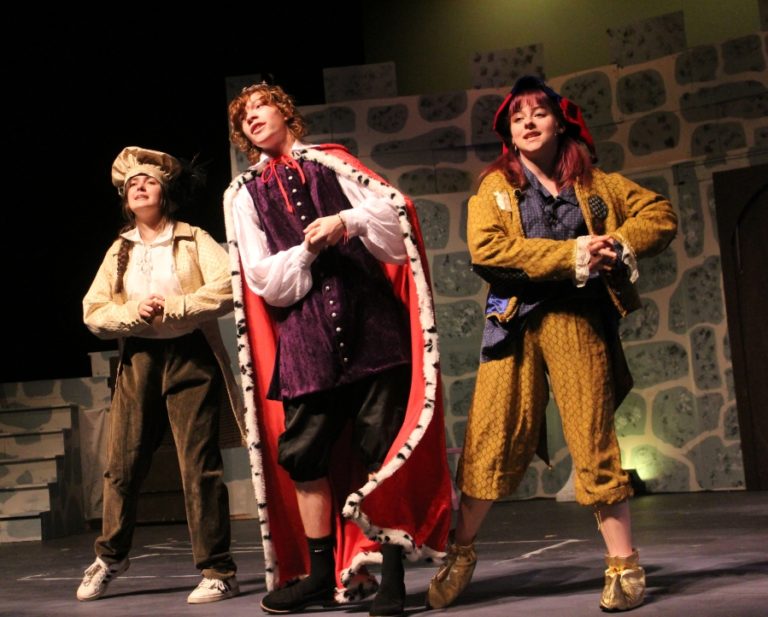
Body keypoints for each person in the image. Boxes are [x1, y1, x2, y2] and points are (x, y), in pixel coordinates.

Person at [425, 76, 677, 612]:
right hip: (512, 322)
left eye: (538, 113)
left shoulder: (596, 183)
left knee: (593, 438)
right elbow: (489, 250)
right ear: (509, 134)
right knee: (491, 437)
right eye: (518, 118)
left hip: (576, 318)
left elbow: (660, 214)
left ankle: (624, 563)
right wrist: (575, 254)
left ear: (560, 123)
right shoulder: (494, 188)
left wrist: (618, 243)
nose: (529, 123)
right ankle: (461, 551)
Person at [223, 84, 452, 617]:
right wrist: (306, 249)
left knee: (382, 449)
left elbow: (396, 224)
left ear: (286, 112)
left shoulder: (333, 164)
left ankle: (392, 576)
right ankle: (321, 574)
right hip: (307, 340)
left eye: (261, 106)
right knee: (303, 455)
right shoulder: (245, 193)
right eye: (243, 116)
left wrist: (347, 222)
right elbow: (264, 278)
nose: (253, 117)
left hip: (371, 325)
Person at [78, 146, 246, 604]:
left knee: (199, 465)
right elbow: (93, 311)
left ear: (165, 191)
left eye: (148, 181)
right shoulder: (120, 250)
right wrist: (134, 312)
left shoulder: (193, 238)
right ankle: (111, 557)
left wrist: (177, 306)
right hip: (139, 360)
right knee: (123, 464)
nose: (139, 187)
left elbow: (229, 284)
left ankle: (218, 569)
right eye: (132, 183)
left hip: (190, 353)